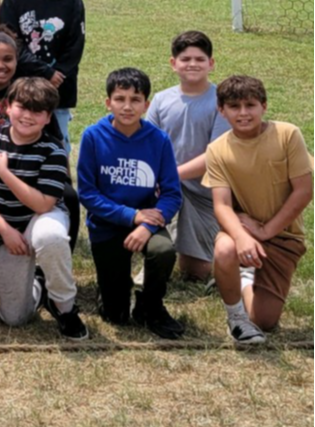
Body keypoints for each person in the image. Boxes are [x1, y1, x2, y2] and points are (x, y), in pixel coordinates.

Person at [0, 77, 87, 338]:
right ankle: (37, 284)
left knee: (51, 237)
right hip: (4, 226)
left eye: (37, 111)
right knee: (14, 318)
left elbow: (42, 203)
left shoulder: (53, 149)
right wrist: (5, 232)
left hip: (40, 218)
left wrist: (3, 172)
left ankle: (64, 307)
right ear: (8, 107)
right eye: (22, 107)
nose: (27, 116)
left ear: (49, 118)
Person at [76, 67, 184, 338]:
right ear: (108, 102)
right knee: (115, 316)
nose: (127, 106)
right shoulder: (93, 136)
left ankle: (151, 304)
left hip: (147, 222)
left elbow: (172, 193)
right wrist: (131, 216)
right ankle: (112, 288)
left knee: (162, 250)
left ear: (146, 105)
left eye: (135, 100)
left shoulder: (158, 140)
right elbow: (88, 193)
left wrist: (147, 226)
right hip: (108, 224)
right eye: (120, 99)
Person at [205, 74, 312, 348]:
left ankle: (243, 277)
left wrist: (265, 230)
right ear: (221, 110)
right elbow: (221, 205)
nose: (243, 113)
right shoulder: (217, 150)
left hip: (283, 237)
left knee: (264, 321)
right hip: (243, 231)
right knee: (226, 249)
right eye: (234, 107)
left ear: (264, 106)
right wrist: (242, 236)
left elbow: (304, 190)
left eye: (250, 105)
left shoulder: (287, 134)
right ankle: (236, 318)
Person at [143, 31, 227, 283]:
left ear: (211, 63)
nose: (192, 64)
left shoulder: (221, 102)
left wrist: (172, 174)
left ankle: (228, 262)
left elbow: (216, 155)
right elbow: (149, 145)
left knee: (196, 274)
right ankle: (153, 249)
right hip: (164, 186)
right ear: (173, 63)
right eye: (185, 58)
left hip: (204, 191)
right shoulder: (161, 99)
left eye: (200, 59)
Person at [0, 0, 86, 143]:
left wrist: (56, 75)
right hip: (22, 87)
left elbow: (75, 45)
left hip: (59, 90)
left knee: (59, 147)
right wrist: (44, 72)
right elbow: (11, 42)